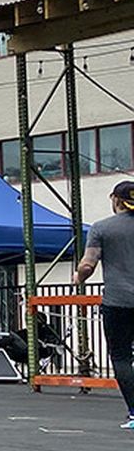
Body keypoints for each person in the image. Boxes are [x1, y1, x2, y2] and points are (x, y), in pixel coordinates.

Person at [75, 179, 134, 429]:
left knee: (121, 357)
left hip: (118, 302)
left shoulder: (101, 228)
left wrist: (79, 277)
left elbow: (88, 264)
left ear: (115, 200)